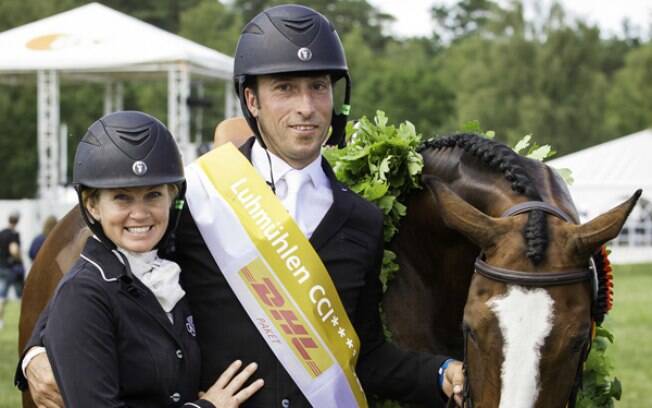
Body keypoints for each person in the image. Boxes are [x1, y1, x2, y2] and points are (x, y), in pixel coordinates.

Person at [19, 5, 465, 407]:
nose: (306, 107)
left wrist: (442, 372)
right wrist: (36, 352)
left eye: (318, 87)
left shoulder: (361, 221)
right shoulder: (198, 193)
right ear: (252, 100)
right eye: (285, 88)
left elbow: (366, 356)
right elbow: (100, 269)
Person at [21, 111, 264, 407]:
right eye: (122, 197)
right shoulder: (84, 293)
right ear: (93, 206)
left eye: (153, 195)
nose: (139, 213)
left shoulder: (164, 256)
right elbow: (75, 298)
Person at [0, 211, 24, 329]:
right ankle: (25, 320)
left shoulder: (1, 233)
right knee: (21, 296)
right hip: (13, 269)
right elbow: (13, 249)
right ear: (17, 221)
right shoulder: (14, 234)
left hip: (2, 267)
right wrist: (20, 258)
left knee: (2, 296)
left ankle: (0, 321)